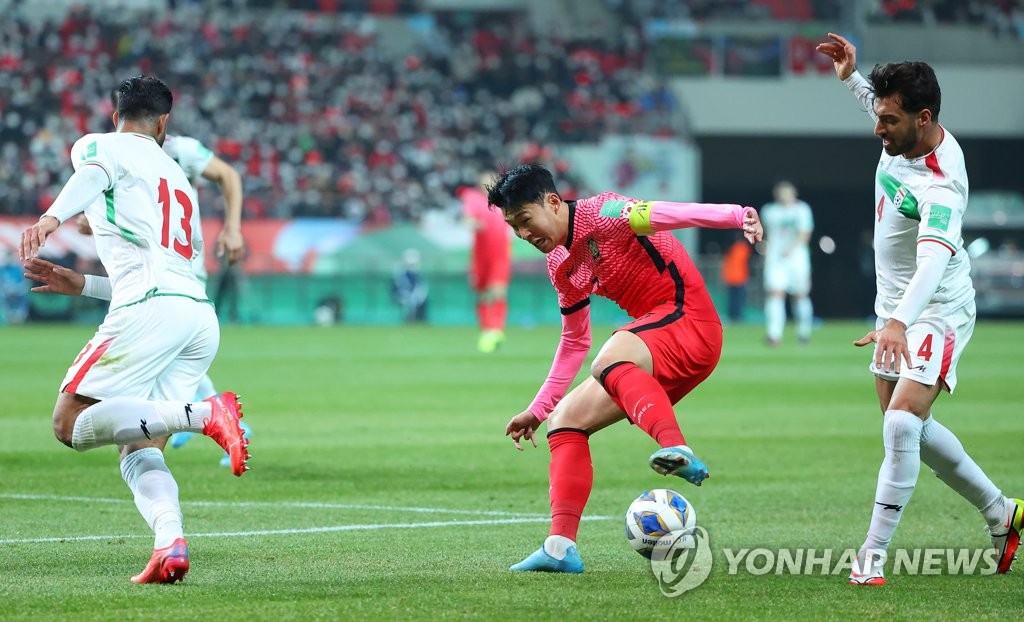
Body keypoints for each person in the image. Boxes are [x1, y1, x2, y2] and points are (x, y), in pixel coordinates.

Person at [18, 76, 250, 584]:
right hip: (195, 319)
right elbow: (164, 276)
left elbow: (94, 172)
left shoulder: (101, 147)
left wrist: (52, 218)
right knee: (139, 448)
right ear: (164, 122)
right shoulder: (178, 178)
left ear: (115, 115)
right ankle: (171, 544)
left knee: (69, 423)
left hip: (152, 310)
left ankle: (204, 413)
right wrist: (81, 284)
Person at [817, 33, 1023, 586]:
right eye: (879, 116)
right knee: (903, 426)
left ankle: (872, 557)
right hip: (894, 306)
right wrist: (854, 80)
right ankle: (1001, 511)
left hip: (934, 309)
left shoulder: (943, 187)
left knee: (904, 422)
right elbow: (878, 108)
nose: (878, 127)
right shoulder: (903, 135)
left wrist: (899, 323)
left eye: (888, 119)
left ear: (923, 117)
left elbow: (932, 262)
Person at [490, 163, 762, 573]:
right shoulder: (560, 264)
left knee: (610, 358)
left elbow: (665, 213)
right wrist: (539, 408)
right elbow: (574, 341)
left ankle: (677, 447)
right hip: (655, 345)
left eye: (525, 220)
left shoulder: (605, 212)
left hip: (690, 322)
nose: (523, 234)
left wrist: (735, 215)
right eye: (514, 228)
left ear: (551, 202)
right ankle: (560, 548)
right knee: (564, 422)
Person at [460, 172, 512, 352]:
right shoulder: (473, 198)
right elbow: (468, 217)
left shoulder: (503, 201)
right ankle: (486, 329)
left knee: (498, 292)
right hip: (481, 255)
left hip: (500, 254)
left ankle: (496, 330)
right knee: (482, 293)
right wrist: (472, 223)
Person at [761, 180, 814, 345]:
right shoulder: (769, 211)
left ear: (794, 193)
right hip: (776, 259)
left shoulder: (802, 209)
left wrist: (791, 249)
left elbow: (805, 233)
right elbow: (768, 234)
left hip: (797, 259)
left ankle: (804, 332)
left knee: (800, 296)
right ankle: (774, 334)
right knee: (775, 293)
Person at [720, 232, 751, 323]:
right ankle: (738, 316)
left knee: (732, 299)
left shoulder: (731, 249)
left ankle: (732, 316)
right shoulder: (744, 248)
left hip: (731, 277)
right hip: (740, 278)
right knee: (739, 299)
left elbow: (726, 263)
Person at [391, 248, 428, 323]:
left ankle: (418, 318)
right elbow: (397, 287)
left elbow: (419, 287)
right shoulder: (401, 273)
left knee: (418, 301)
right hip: (404, 295)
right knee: (409, 303)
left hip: (413, 296)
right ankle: (409, 319)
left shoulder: (417, 274)